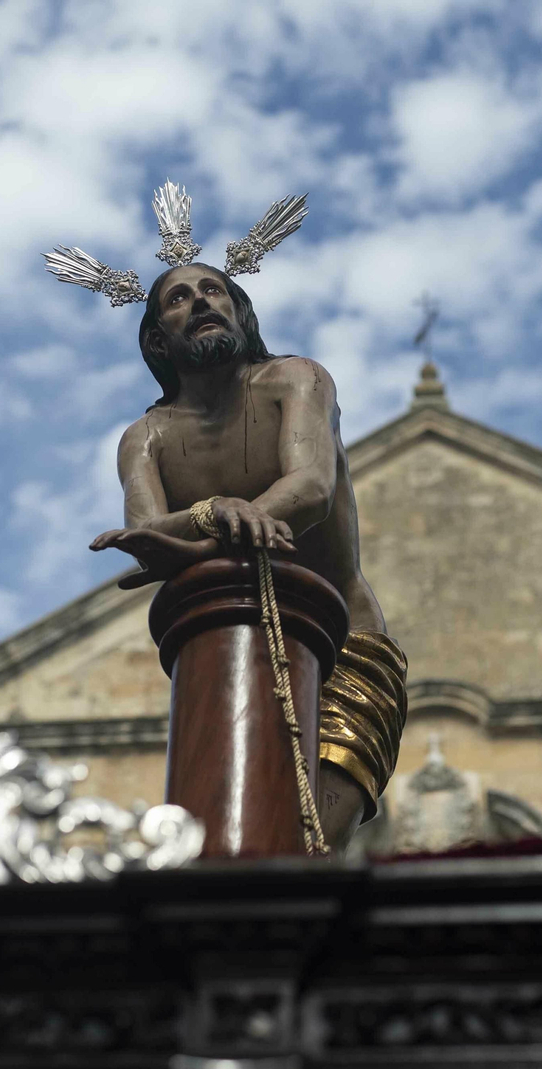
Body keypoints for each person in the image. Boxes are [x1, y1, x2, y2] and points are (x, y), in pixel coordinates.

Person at [90, 261, 407, 850]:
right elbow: (144, 535)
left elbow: (310, 488)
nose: (201, 302)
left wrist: (203, 534)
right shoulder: (146, 438)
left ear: (240, 312)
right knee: (230, 838)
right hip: (225, 656)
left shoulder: (296, 380)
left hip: (344, 652)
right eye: (179, 298)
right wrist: (213, 511)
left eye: (214, 290)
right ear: (158, 340)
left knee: (309, 845)